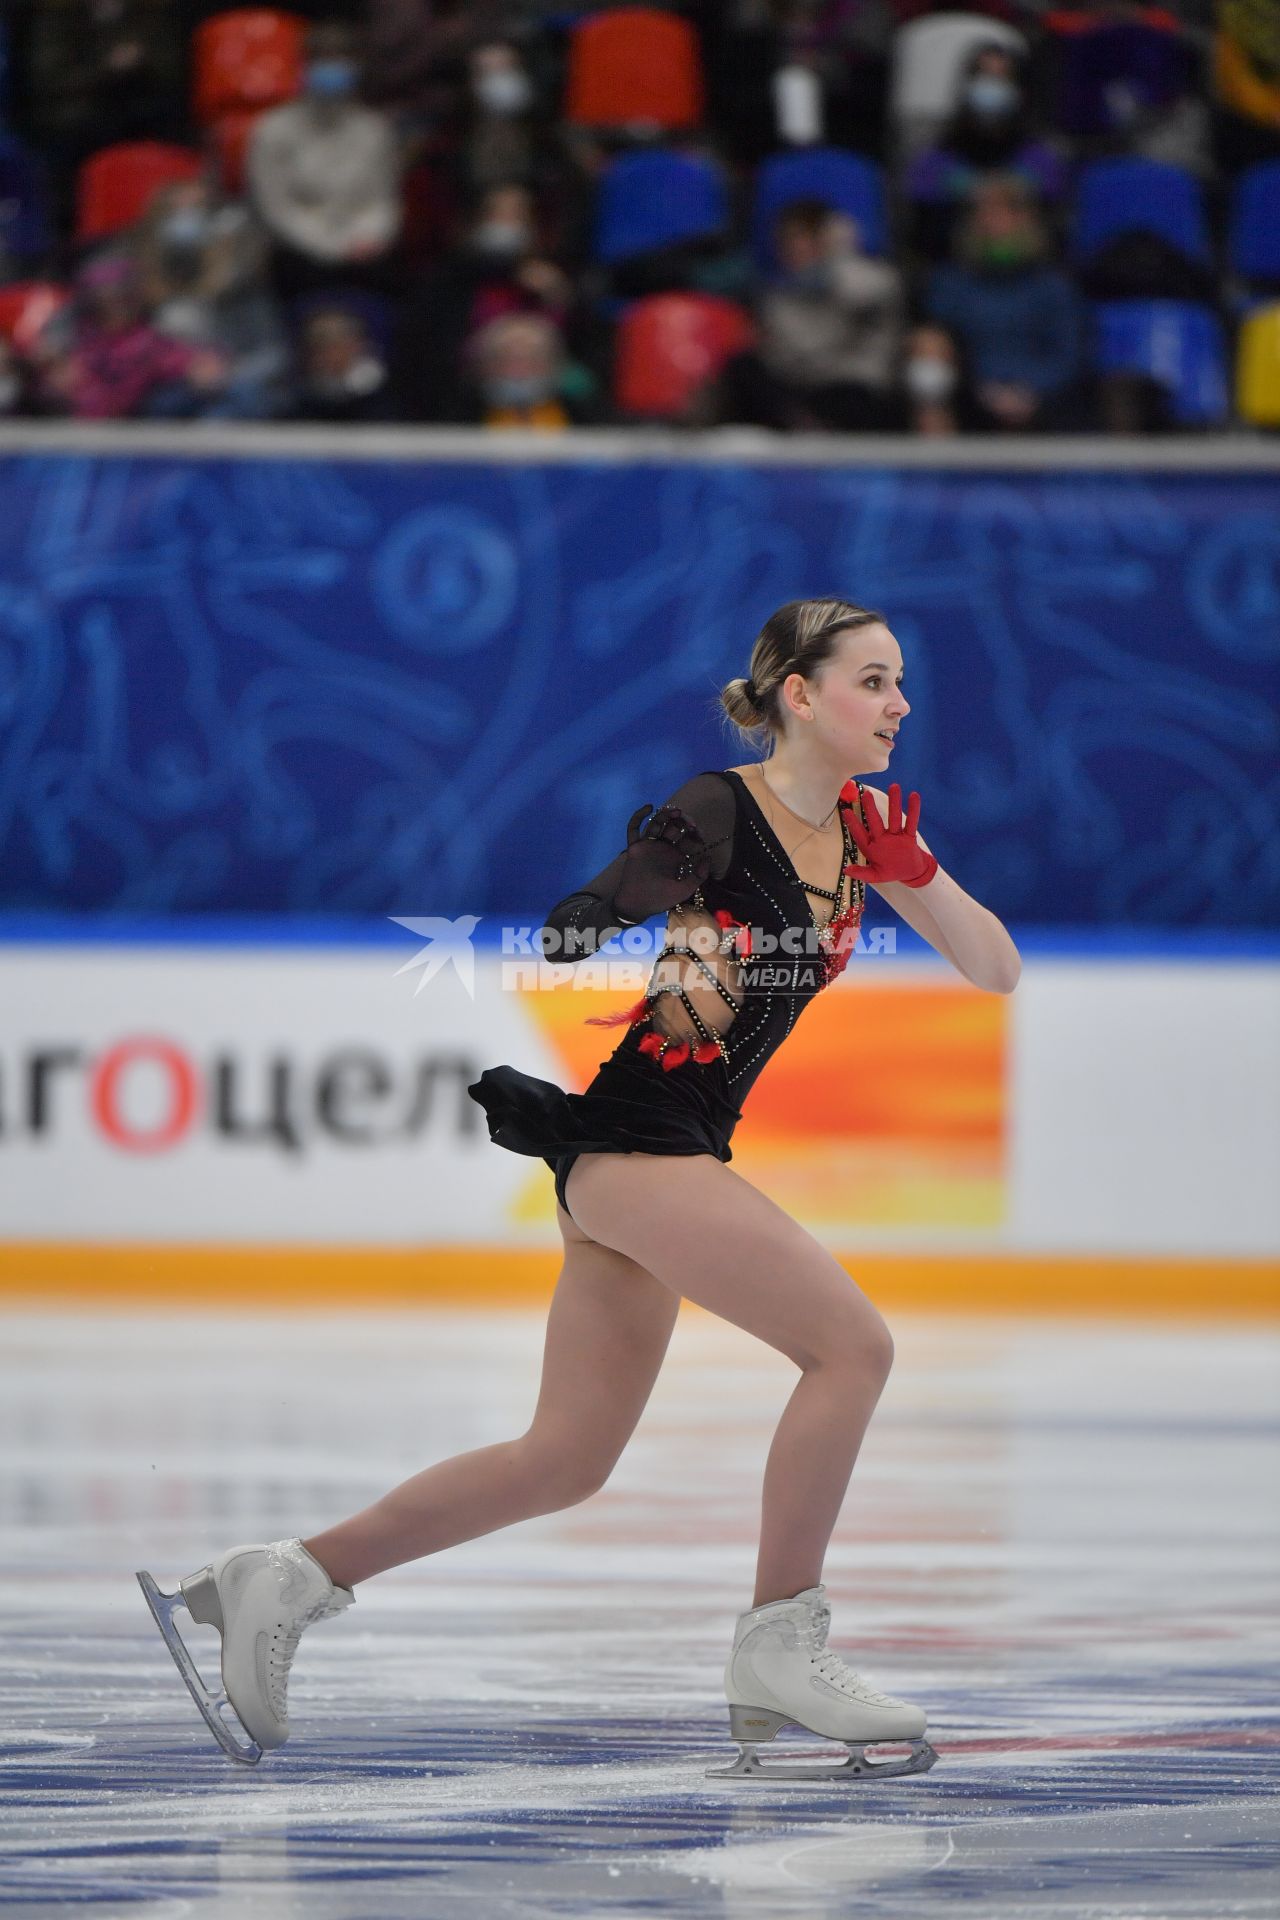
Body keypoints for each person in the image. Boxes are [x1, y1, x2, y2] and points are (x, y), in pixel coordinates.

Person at [137, 598, 1021, 1781]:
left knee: (564, 1459)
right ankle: (778, 1641)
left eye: (899, 681)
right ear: (798, 696)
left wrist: (917, 871)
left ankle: (285, 1575)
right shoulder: (721, 806)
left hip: (668, 1150)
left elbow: (991, 967)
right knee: (850, 1349)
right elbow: (596, 910)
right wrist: (612, 907)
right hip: (636, 1143)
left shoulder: (868, 832)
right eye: (871, 681)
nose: (898, 704)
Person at [718, 202, 905, 432]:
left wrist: (837, 260)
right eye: (786, 240)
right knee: (743, 366)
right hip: (803, 390)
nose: (793, 247)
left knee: (853, 397)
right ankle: (805, 432)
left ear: (825, 238)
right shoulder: (777, 296)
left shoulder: (868, 279)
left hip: (852, 387)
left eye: (803, 237)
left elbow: (875, 291)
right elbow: (785, 358)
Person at [925, 173, 1084, 432]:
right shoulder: (949, 284)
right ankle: (930, 468)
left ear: (1026, 221)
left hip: (1040, 399)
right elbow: (940, 350)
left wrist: (1027, 391)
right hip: (969, 397)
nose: (993, 223)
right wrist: (983, 390)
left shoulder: (1054, 287)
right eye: (984, 213)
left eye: (1005, 213)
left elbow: (1067, 356)